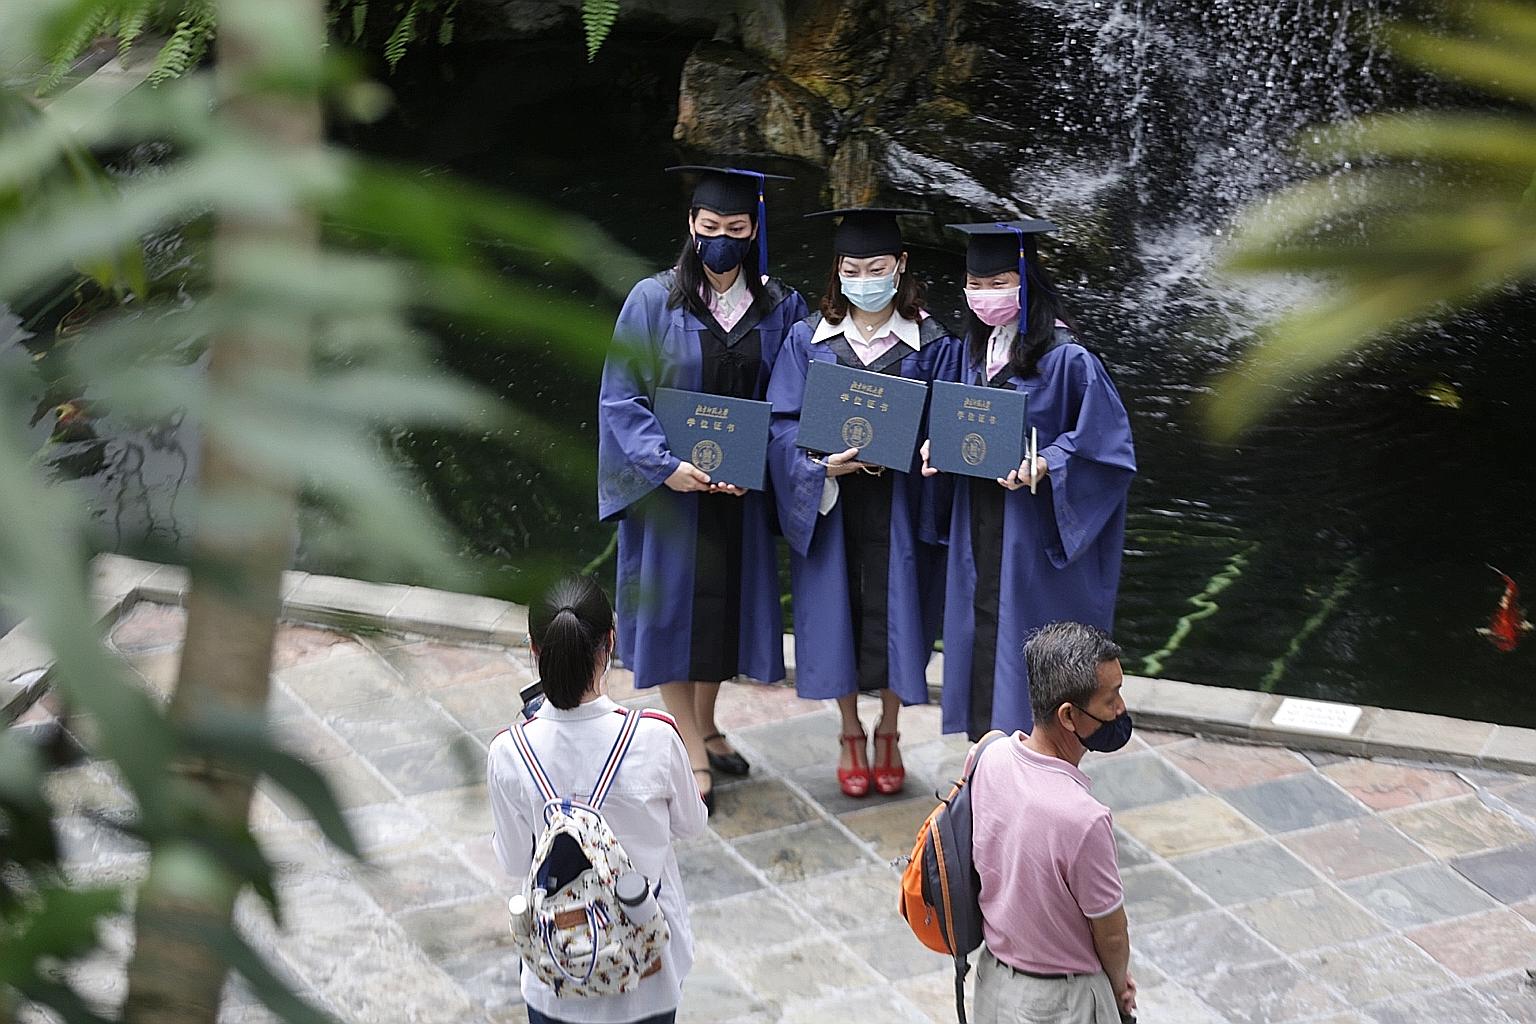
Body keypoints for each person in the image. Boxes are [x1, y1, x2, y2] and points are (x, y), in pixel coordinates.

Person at [596, 166, 809, 808]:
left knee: (723, 618)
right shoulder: (653, 300)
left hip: (739, 493)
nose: (720, 239)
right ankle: (690, 749)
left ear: (754, 231)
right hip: (672, 492)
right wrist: (665, 466)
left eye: (735, 228)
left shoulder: (781, 306)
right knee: (672, 619)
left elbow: (790, 397)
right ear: (692, 224)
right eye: (709, 226)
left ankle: (709, 724)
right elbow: (620, 398)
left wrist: (767, 463)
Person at [767, 208, 963, 798]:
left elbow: (950, 422)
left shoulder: (934, 345)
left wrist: (928, 448)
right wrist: (822, 466)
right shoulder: (808, 339)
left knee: (903, 617)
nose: (864, 278)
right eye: (852, 268)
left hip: (903, 506)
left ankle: (893, 730)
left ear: (900, 267)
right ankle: (851, 730)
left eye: (876, 267)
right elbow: (781, 425)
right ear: (838, 271)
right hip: (833, 504)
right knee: (838, 619)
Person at [924, 220, 1136, 740]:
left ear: (1027, 279)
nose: (985, 295)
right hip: (980, 521)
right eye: (976, 284)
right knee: (980, 634)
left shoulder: (1068, 358)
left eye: (999, 283)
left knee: (1031, 643)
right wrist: (937, 445)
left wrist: (1049, 463)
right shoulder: (972, 351)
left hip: (1032, 532)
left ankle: (1040, 759)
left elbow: (1107, 449)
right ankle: (989, 754)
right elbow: (960, 421)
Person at [487, 575, 708, 1024]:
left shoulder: (509, 752)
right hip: (649, 971)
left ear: (534, 650)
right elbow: (692, 825)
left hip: (556, 971)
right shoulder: (655, 737)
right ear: (610, 640)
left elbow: (513, 862)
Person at [969, 621, 1137, 1024]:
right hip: (1063, 1004)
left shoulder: (985, 756)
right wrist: (1118, 987)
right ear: (1068, 715)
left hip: (994, 986)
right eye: (1111, 698)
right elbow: (1111, 933)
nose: (1121, 710)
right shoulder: (1084, 819)